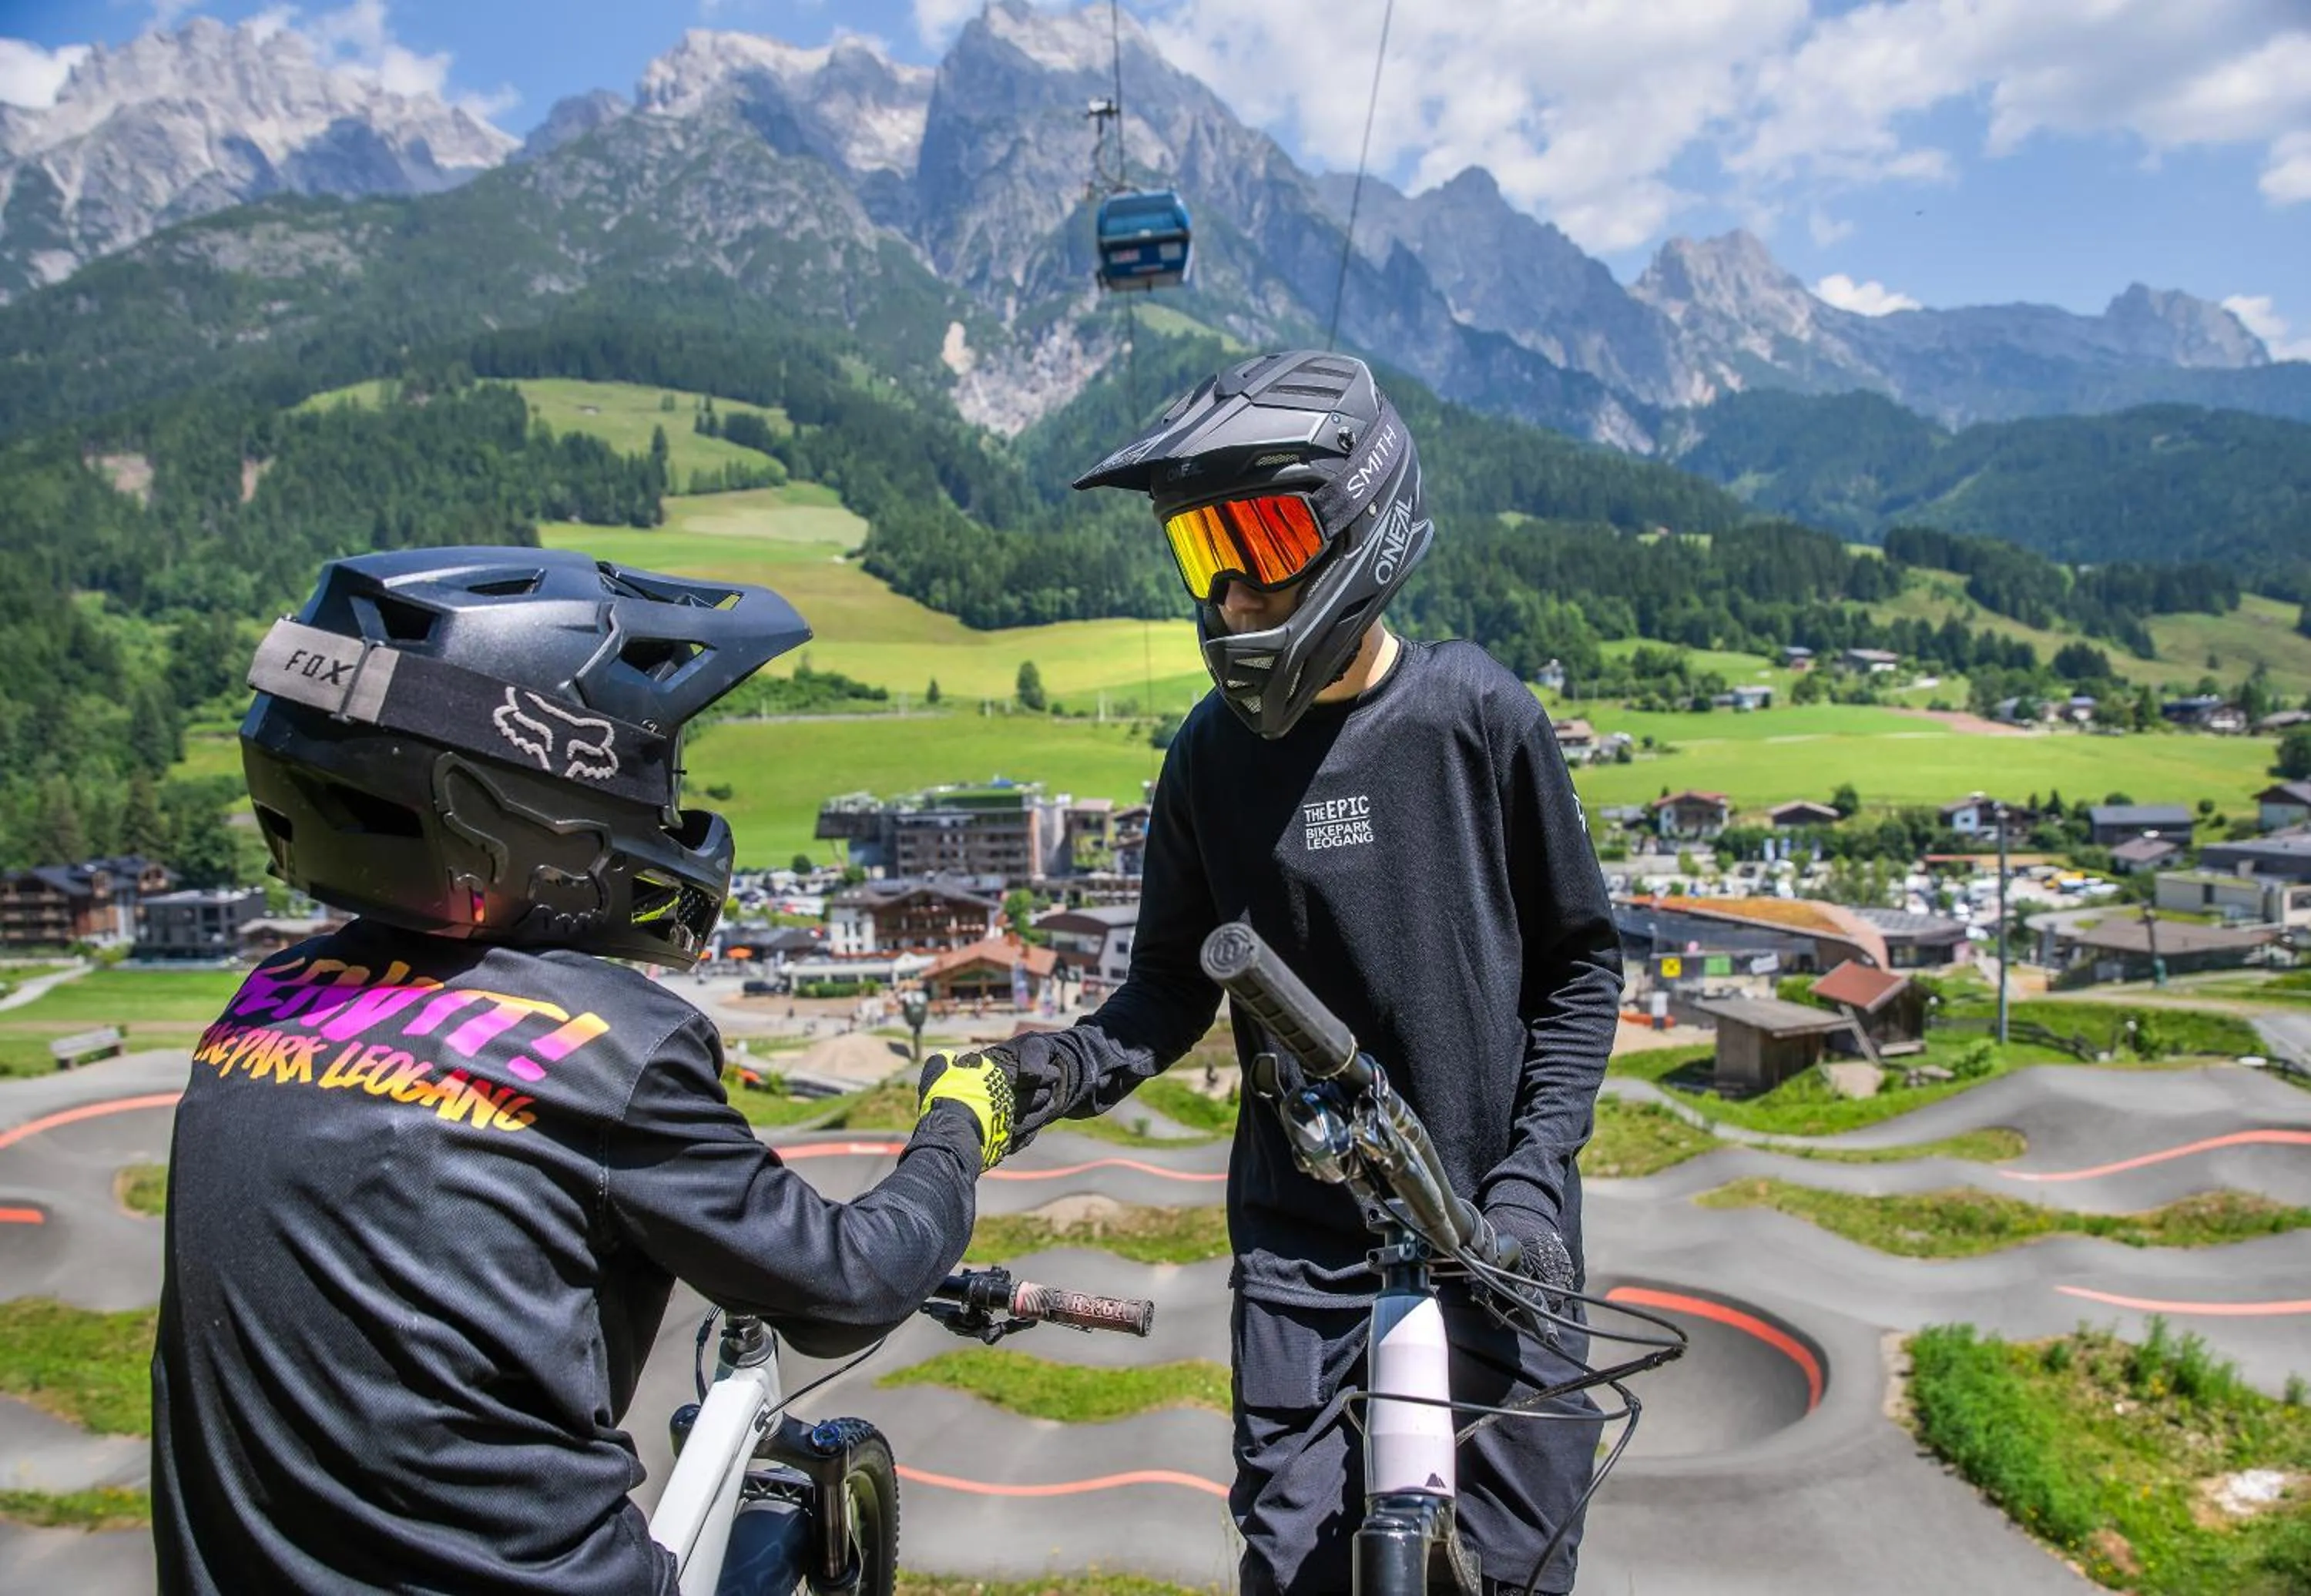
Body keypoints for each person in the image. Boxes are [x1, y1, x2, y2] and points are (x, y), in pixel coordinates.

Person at [151, 548, 1015, 1596]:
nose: (671, 813)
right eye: (656, 774)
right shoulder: (608, 1044)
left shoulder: (260, 1005)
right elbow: (849, 1289)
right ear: (507, 802)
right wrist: (957, 1132)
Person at [973, 350, 1623, 1594]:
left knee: (1519, 1573)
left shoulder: (1477, 717)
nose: (1229, 595)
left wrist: (1534, 1188)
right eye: (1201, 559)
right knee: (1292, 1573)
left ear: (1358, 529)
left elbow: (1579, 971)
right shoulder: (1208, 763)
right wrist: (1032, 1077)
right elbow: (1165, 992)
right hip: (1303, 1251)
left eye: (1259, 543)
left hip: (1496, 1227)